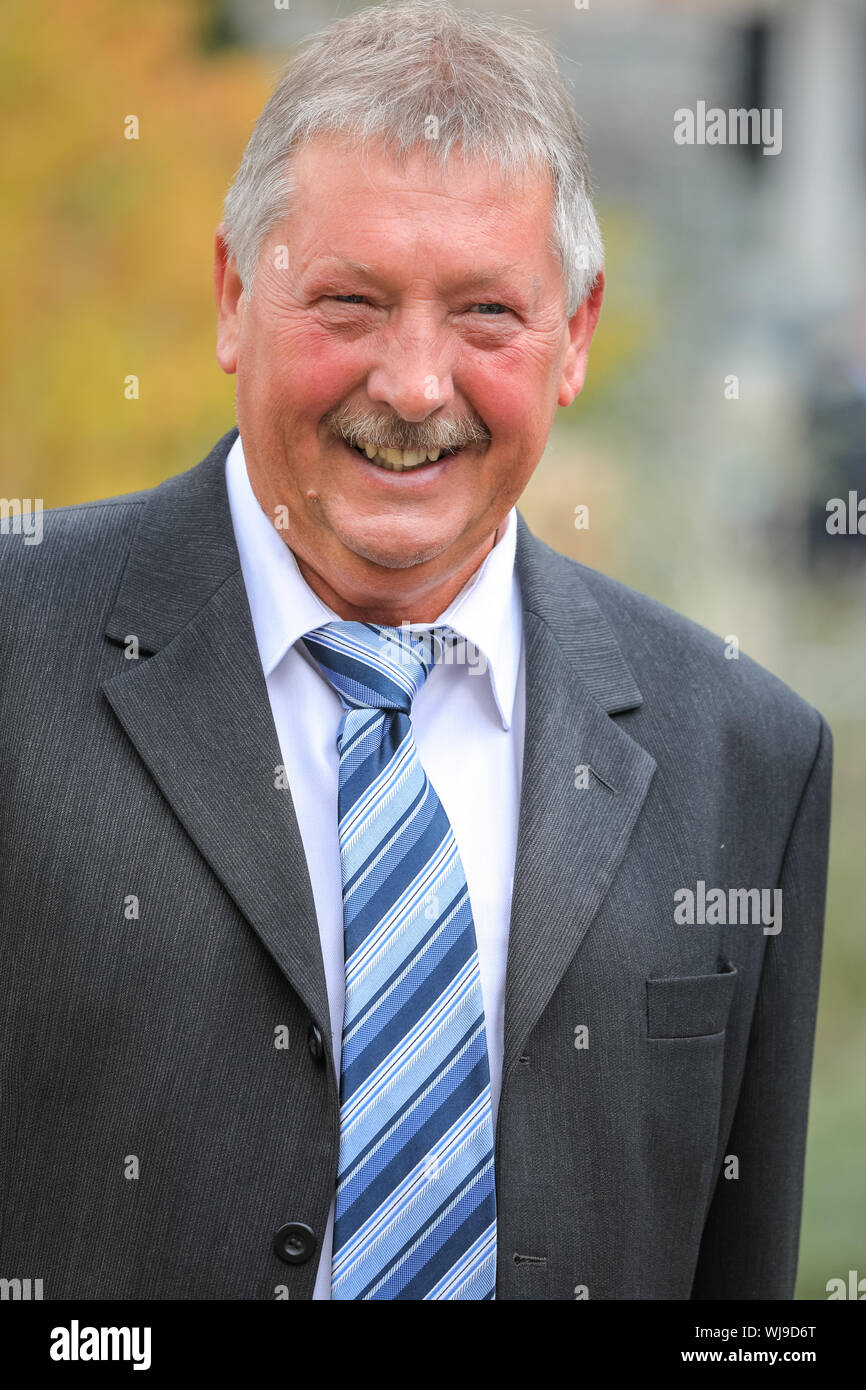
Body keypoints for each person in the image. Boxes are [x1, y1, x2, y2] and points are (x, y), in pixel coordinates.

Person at [0, 1, 831, 1300]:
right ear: (231, 295)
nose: (411, 383)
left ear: (575, 337)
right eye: (348, 299)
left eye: (487, 313)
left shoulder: (745, 754)